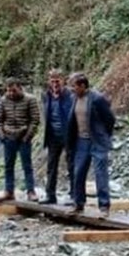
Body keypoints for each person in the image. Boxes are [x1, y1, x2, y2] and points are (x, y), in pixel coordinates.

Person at [66, 72, 116, 217]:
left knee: (100, 173)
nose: (72, 89)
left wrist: (104, 135)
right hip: (81, 141)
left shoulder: (97, 98)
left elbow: (110, 119)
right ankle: (78, 204)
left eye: (74, 86)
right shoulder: (74, 99)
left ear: (83, 86)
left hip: (97, 141)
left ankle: (104, 207)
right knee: (78, 172)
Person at [0, 77, 40, 202]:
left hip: (23, 137)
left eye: (13, 90)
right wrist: (1, 135)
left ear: (20, 88)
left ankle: (31, 191)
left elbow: (35, 120)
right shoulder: (3, 100)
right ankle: (9, 191)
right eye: (8, 91)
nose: (11, 93)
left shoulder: (30, 99)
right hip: (8, 137)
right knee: (8, 166)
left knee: (27, 165)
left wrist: (28, 136)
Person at [41, 69, 74, 205]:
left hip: (68, 135)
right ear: (49, 82)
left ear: (63, 80)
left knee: (72, 166)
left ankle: (74, 195)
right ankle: (50, 195)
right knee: (51, 166)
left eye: (57, 81)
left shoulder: (70, 95)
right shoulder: (46, 95)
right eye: (52, 81)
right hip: (53, 135)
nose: (55, 84)